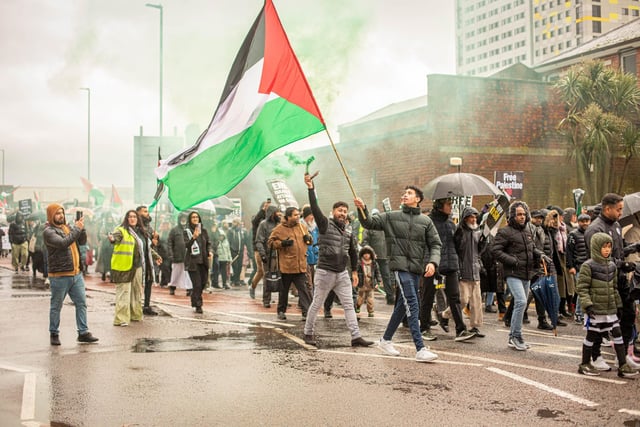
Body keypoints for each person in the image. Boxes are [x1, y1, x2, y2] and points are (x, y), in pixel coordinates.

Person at [354, 185, 441, 362]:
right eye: (404, 193)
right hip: (400, 268)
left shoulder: (426, 221)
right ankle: (420, 348)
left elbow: (435, 244)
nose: (404, 195)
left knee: (403, 306)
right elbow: (369, 222)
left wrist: (433, 262)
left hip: (417, 269)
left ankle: (385, 340)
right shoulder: (391, 216)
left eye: (409, 193)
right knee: (412, 303)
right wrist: (362, 208)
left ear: (417, 199)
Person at [303, 174, 374, 348]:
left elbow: (352, 252)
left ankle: (356, 336)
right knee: (317, 303)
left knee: (349, 305)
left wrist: (355, 272)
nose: (342, 213)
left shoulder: (348, 231)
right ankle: (308, 333)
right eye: (339, 210)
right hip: (325, 271)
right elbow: (314, 206)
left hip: (342, 273)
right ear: (333, 212)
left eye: (344, 211)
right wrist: (311, 188)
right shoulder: (325, 223)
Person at [584, 193, 640, 370]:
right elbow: (600, 258)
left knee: (628, 314)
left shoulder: (616, 225)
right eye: (618, 209)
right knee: (601, 320)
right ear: (607, 209)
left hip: (619, 279)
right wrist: (623, 264)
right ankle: (595, 356)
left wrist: (633, 247)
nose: (621, 213)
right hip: (602, 280)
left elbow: (618, 249)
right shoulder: (595, 229)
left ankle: (621, 356)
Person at [576, 232, 638, 377]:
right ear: (596, 247)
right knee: (591, 335)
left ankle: (622, 365)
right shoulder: (588, 266)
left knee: (617, 333)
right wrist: (588, 305)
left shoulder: (612, 266)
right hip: (595, 309)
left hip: (610, 309)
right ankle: (584, 363)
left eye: (609, 247)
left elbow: (614, 288)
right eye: (604, 247)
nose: (607, 250)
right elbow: (582, 288)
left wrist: (619, 305)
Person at [492, 201, 545, 351]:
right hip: (512, 273)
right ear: (513, 216)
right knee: (521, 301)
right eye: (519, 214)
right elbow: (495, 250)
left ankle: (516, 336)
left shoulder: (527, 232)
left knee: (521, 303)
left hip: (526, 273)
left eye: (524, 214)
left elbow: (532, 248)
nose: (522, 217)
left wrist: (541, 255)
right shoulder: (505, 232)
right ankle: (515, 336)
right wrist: (512, 261)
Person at [421, 198, 476, 342]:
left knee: (455, 298)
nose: (451, 207)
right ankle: (424, 328)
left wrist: (459, 236)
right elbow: (425, 244)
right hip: (433, 265)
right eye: (448, 204)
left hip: (450, 265)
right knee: (428, 296)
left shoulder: (452, 224)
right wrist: (429, 262)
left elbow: (458, 247)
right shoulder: (428, 222)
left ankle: (460, 330)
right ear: (439, 206)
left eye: (452, 204)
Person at [43, 203, 98, 345]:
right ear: (51, 215)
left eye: (62, 212)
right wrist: (76, 229)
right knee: (56, 306)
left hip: (76, 274)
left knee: (81, 303)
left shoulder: (68, 228)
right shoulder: (49, 231)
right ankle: (54, 333)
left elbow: (82, 241)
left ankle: (83, 332)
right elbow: (63, 243)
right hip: (60, 275)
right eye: (57, 213)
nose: (61, 215)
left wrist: (81, 228)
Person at [110, 210, 160, 326]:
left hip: (138, 267)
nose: (132, 219)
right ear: (126, 219)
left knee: (136, 292)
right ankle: (121, 319)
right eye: (130, 217)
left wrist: (155, 255)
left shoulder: (141, 233)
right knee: (124, 293)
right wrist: (112, 238)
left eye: (134, 217)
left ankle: (135, 315)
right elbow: (114, 238)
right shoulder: (121, 230)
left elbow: (145, 247)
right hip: (124, 267)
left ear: (138, 219)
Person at [267, 206, 313, 320]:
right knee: (284, 291)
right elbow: (270, 243)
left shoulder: (302, 227)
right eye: (295, 215)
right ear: (288, 217)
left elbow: (309, 241)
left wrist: (309, 239)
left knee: (303, 290)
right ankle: (281, 311)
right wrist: (282, 243)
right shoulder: (279, 229)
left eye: (298, 215)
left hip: (300, 265)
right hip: (286, 266)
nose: (298, 217)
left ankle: (306, 312)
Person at [454, 207, 485, 337]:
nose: (473, 219)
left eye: (475, 217)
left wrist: (484, 242)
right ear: (465, 218)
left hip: (475, 270)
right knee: (462, 299)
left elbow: (480, 250)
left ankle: (475, 326)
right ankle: (445, 314)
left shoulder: (478, 231)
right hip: (463, 270)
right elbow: (456, 249)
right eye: (471, 217)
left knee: (476, 301)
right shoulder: (459, 231)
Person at [362, 209, 394, 305]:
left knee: (384, 276)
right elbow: (365, 242)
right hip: (374, 257)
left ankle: (390, 297)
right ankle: (364, 297)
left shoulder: (383, 227)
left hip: (382, 256)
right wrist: (371, 252)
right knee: (370, 277)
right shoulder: (370, 228)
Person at [183, 211, 213, 314]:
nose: (195, 219)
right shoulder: (187, 231)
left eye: (196, 217)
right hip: (193, 262)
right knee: (197, 284)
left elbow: (208, 243)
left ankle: (194, 299)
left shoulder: (203, 231)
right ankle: (199, 305)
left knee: (203, 283)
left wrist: (209, 251)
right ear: (190, 220)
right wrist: (193, 237)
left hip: (203, 261)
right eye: (193, 217)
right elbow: (186, 245)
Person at [254, 205, 281, 306]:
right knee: (267, 278)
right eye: (276, 212)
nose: (279, 214)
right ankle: (266, 300)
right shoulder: (263, 224)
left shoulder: (280, 224)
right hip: (268, 255)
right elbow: (259, 240)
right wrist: (263, 254)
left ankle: (282, 301)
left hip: (280, 255)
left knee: (281, 278)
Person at [567, 213, 591, 324]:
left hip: (590, 265)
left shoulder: (591, 233)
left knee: (587, 291)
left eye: (587, 221)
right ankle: (578, 314)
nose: (585, 223)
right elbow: (569, 252)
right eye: (583, 221)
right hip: (578, 266)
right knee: (582, 291)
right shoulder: (573, 234)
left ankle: (584, 313)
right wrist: (571, 266)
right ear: (579, 222)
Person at [136, 206, 159, 316]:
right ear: (138, 213)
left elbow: (150, 245)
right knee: (137, 283)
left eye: (147, 211)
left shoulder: (149, 226)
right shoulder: (136, 225)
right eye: (145, 211)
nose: (147, 213)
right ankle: (135, 305)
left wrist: (154, 241)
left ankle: (146, 305)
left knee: (149, 281)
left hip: (148, 258)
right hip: (138, 259)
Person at [249, 200, 270, 298]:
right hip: (259, 248)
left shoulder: (271, 220)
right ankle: (253, 287)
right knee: (261, 270)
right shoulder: (257, 219)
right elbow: (255, 221)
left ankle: (268, 293)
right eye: (266, 207)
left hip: (270, 248)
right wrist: (263, 210)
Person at [167, 212, 192, 296]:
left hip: (188, 256)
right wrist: (171, 254)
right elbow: (169, 243)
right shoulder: (174, 230)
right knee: (175, 273)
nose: (183, 219)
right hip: (177, 255)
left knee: (188, 273)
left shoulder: (190, 230)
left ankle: (189, 289)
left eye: (185, 218)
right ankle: (172, 287)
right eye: (182, 218)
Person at [355, 245, 381, 317]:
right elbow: (356, 272)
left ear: (371, 255)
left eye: (368, 253)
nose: (366, 255)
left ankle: (370, 311)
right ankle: (357, 306)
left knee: (370, 299)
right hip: (362, 284)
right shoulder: (359, 263)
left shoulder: (374, 263)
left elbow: (377, 273)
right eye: (365, 253)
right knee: (360, 298)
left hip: (370, 284)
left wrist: (378, 282)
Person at [227, 218, 248, 286]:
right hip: (233, 251)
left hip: (240, 251)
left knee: (239, 266)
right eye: (233, 222)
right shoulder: (230, 231)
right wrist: (229, 250)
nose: (233, 223)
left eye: (235, 222)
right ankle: (234, 280)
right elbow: (228, 241)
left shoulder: (243, 231)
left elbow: (245, 241)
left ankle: (237, 280)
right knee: (234, 267)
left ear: (238, 223)